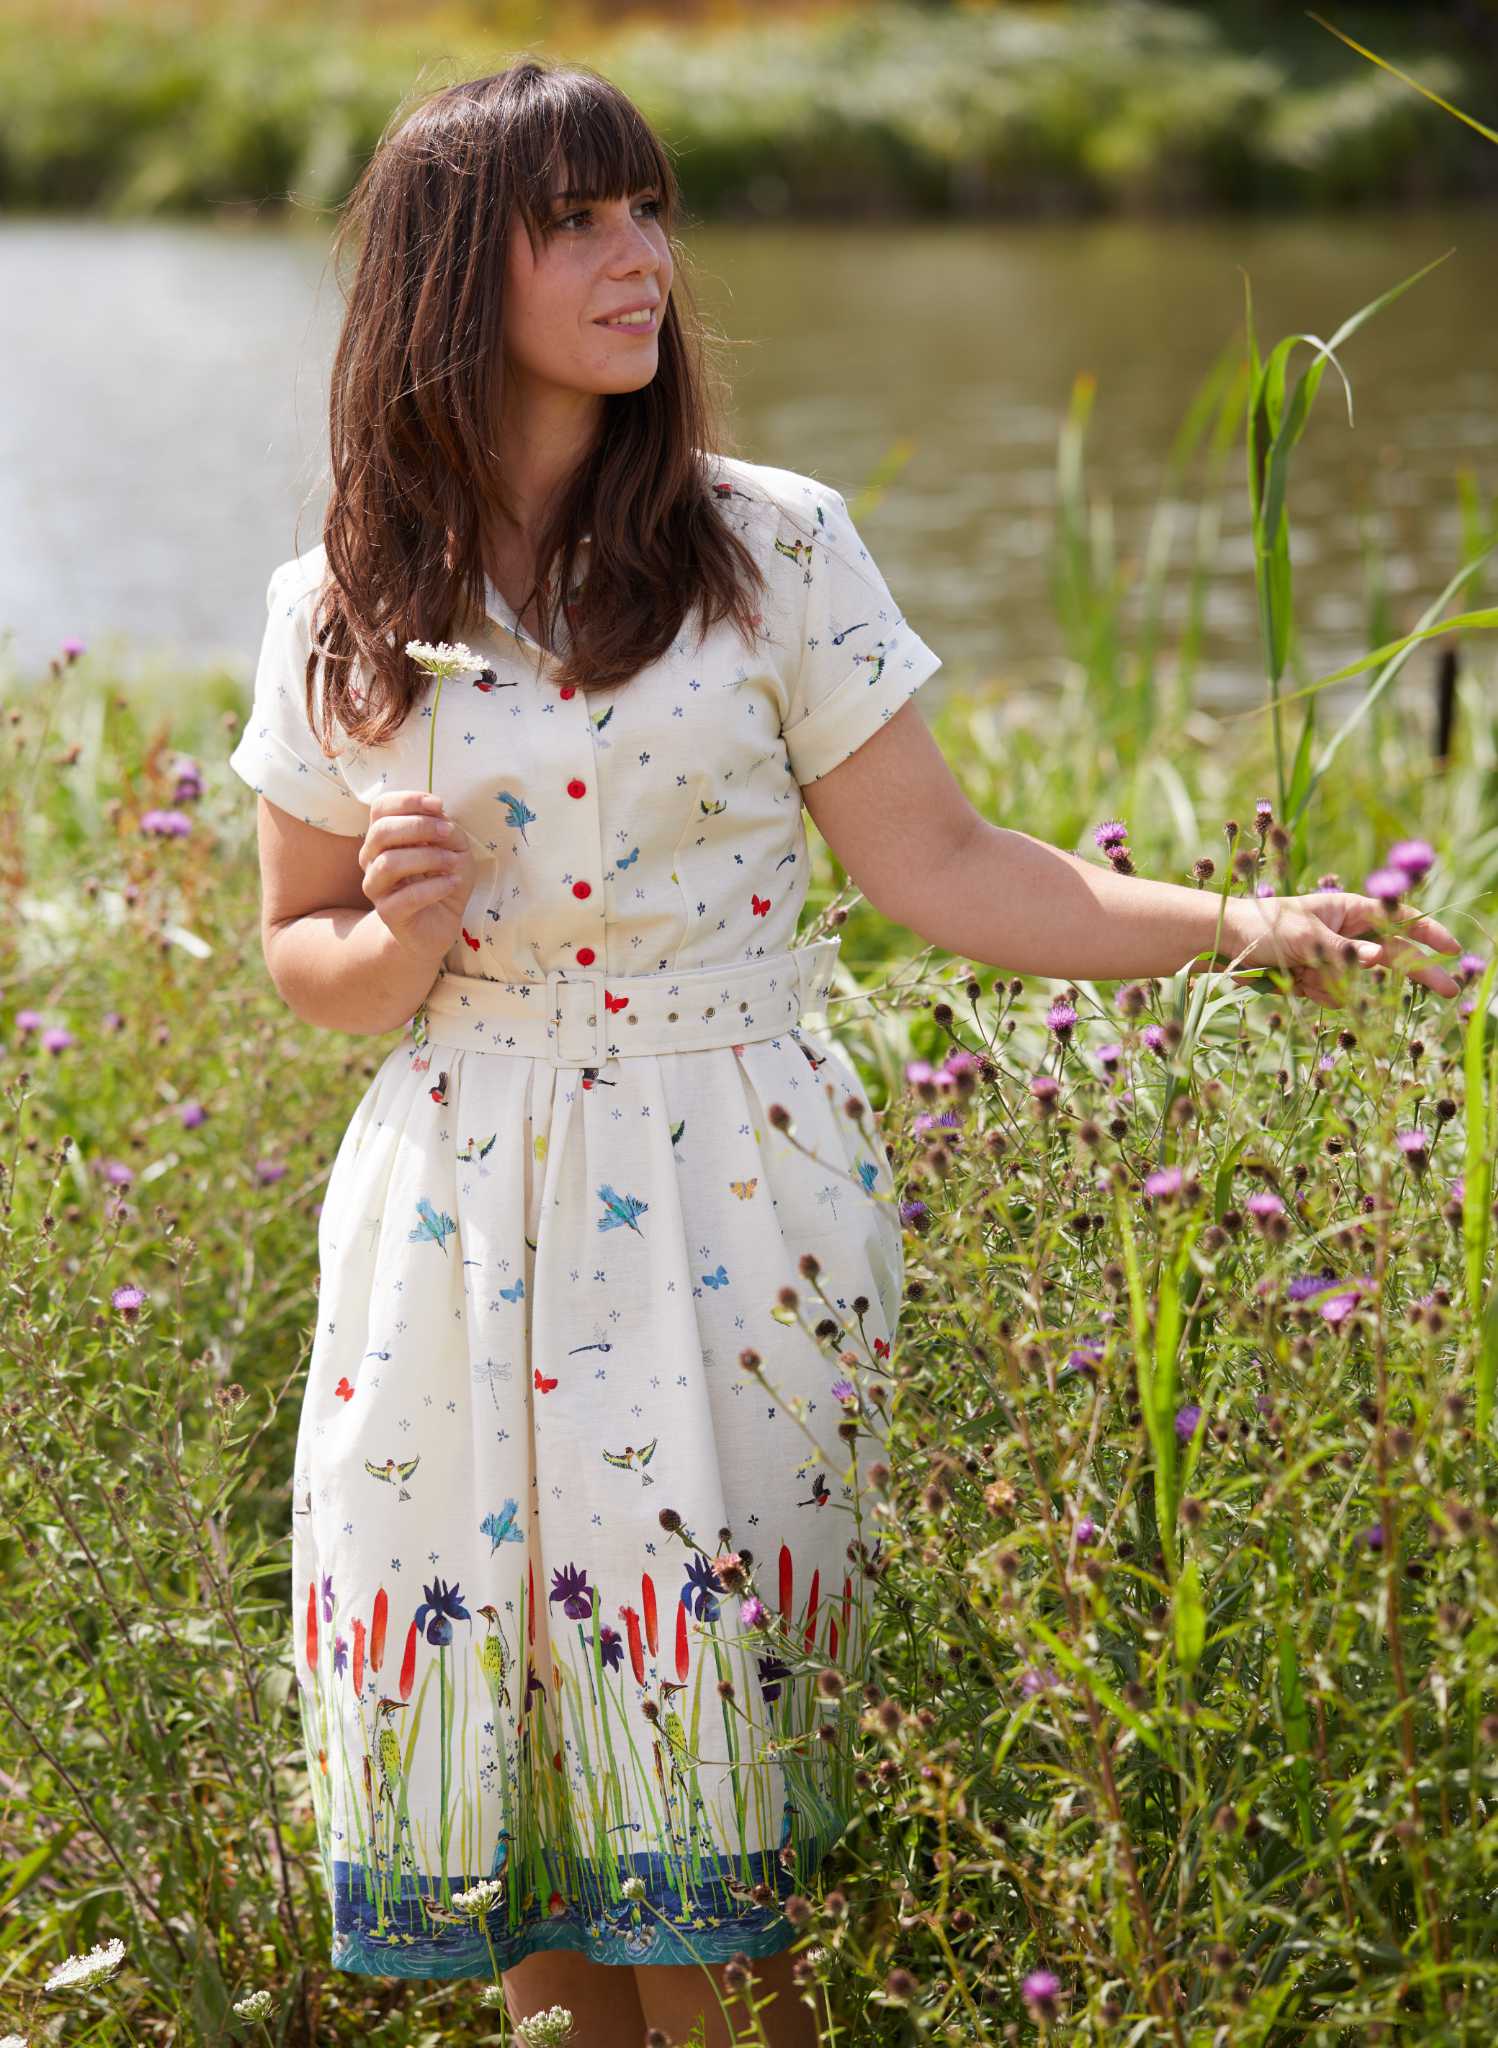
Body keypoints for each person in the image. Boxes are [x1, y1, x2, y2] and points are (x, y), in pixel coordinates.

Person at [227, 57, 1463, 2048]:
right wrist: (398, 929)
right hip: (458, 1215)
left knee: (714, 1806)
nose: (644, 259)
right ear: (454, 276)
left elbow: (953, 868)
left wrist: (1236, 925)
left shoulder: (766, 548)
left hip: (731, 1196)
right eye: (582, 221)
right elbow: (303, 954)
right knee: (530, 1794)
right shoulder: (340, 605)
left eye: (651, 211)